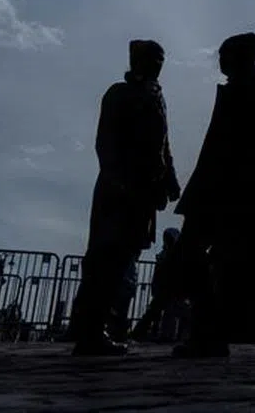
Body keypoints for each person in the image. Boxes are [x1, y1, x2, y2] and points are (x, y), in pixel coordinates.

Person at [70, 39, 180, 356]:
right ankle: (90, 330)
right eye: (152, 60)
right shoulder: (119, 94)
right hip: (119, 192)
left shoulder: (157, 98)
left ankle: (105, 326)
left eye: (161, 61)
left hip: (143, 193)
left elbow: (164, 143)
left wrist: (169, 178)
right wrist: (118, 181)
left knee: (124, 261)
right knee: (106, 259)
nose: (157, 66)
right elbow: (106, 142)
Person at [172, 32, 255, 358]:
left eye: (224, 55)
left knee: (202, 257)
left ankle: (209, 332)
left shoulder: (251, 89)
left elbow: (231, 144)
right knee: (202, 258)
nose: (220, 61)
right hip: (220, 187)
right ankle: (208, 330)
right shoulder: (246, 88)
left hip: (225, 189)